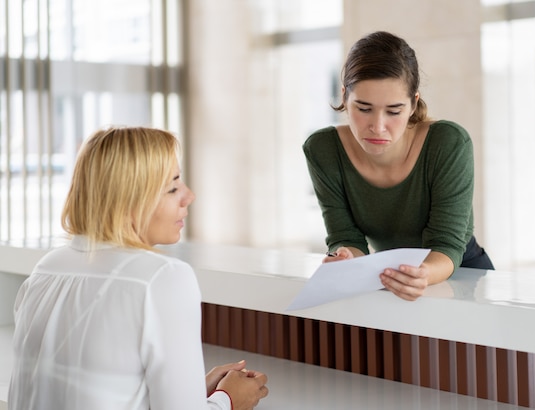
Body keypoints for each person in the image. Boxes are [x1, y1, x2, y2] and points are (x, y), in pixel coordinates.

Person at [8, 127, 269, 410]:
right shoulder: (163, 277)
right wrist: (228, 400)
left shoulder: (46, 269)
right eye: (173, 187)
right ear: (129, 200)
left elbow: (90, 386)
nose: (189, 196)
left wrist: (192, 388)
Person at [303, 31, 494, 302]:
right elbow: (346, 237)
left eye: (393, 111)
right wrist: (346, 259)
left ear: (413, 103)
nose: (378, 126)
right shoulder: (323, 150)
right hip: (392, 277)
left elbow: (447, 245)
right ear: (345, 97)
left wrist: (421, 274)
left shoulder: (448, 143)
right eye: (364, 108)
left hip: (460, 272)